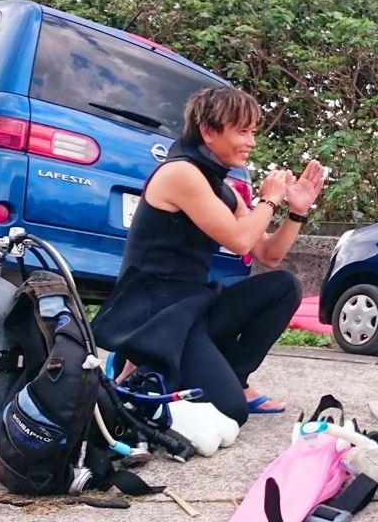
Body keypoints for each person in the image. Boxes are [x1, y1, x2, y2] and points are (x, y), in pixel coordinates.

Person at [92, 86, 325, 426]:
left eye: (253, 132)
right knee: (229, 411)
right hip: (154, 313)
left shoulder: (223, 188)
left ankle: (231, 376)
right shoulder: (180, 173)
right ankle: (143, 363)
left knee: (283, 286)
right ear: (209, 131)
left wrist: (296, 213)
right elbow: (240, 241)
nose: (251, 142)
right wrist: (270, 200)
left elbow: (267, 254)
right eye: (242, 131)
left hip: (192, 306)